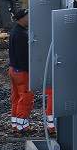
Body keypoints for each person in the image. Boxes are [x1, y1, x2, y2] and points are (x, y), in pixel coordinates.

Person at [8, 8, 55, 136]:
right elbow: (23, 57)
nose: (30, 18)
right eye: (28, 16)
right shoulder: (21, 34)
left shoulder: (17, 32)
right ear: (21, 18)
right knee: (26, 98)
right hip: (21, 72)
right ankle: (23, 127)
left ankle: (16, 125)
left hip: (14, 70)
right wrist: (33, 70)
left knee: (17, 97)